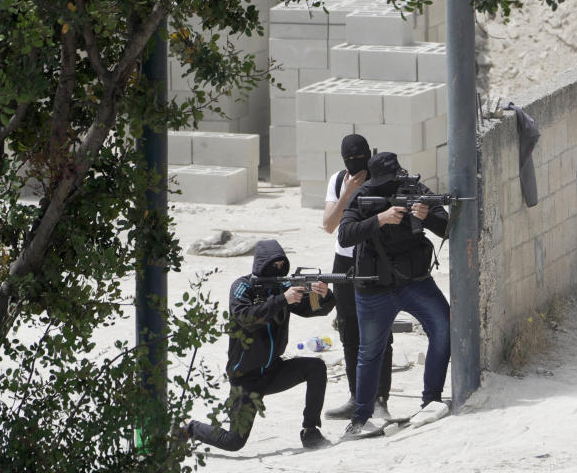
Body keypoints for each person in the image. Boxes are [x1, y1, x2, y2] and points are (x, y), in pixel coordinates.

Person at [337, 151, 451, 438]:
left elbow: (447, 226)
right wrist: (381, 218)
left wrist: (426, 218)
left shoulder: (414, 190)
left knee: (444, 327)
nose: (391, 186)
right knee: (369, 352)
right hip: (374, 287)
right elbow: (345, 234)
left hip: (413, 281)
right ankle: (361, 417)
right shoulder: (364, 194)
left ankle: (431, 400)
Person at [185, 240, 335, 450]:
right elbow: (246, 318)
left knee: (316, 368)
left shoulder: (283, 286)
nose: (279, 268)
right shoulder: (242, 287)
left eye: (282, 264)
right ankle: (190, 428)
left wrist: (325, 296)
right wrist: (282, 299)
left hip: (274, 370)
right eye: (274, 265)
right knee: (234, 441)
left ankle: (310, 431)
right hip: (246, 378)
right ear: (261, 264)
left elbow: (313, 310)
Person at [321, 134, 394, 421]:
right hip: (344, 261)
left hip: (375, 260)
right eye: (349, 161)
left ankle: (380, 400)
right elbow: (329, 225)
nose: (354, 165)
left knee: (379, 332)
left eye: (358, 158)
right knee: (349, 331)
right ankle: (356, 397)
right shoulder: (339, 180)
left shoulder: (383, 177)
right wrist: (347, 194)